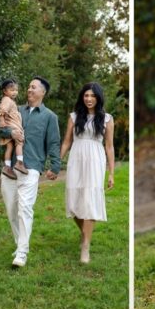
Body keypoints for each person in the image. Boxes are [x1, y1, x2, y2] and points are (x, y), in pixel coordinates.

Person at [0, 77, 60, 268]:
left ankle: (22, 252)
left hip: (32, 167)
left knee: (25, 207)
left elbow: (53, 143)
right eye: (28, 87)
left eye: (33, 87)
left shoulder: (50, 117)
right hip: (10, 168)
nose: (29, 90)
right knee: (11, 209)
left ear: (43, 92)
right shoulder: (15, 109)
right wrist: (10, 133)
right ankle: (19, 244)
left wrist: (55, 166)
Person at [60, 82, 114, 264]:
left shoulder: (107, 119)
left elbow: (109, 146)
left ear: (98, 98)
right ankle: (85, 233)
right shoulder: (74, 117)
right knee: (74, 202)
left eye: (92, 96)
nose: (89, 99)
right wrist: (57, 162)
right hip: (76, 159)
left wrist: (111, 173)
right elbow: (67, 141)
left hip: (95, 160)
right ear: (82, 97)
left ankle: (85, 246)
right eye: (86, 95)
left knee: (90, 201)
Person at [0, 79, 27, 179]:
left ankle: (7, 167)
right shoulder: (7, 100)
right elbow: (2, 109)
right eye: (12, 90)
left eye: (16, 90)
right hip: (12, 126)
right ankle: (20, 163)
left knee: (9, 147)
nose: (15, 92)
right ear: (5, 91)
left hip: (9, 126)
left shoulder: (10, 101)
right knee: (19, 142)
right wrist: (2, 120)